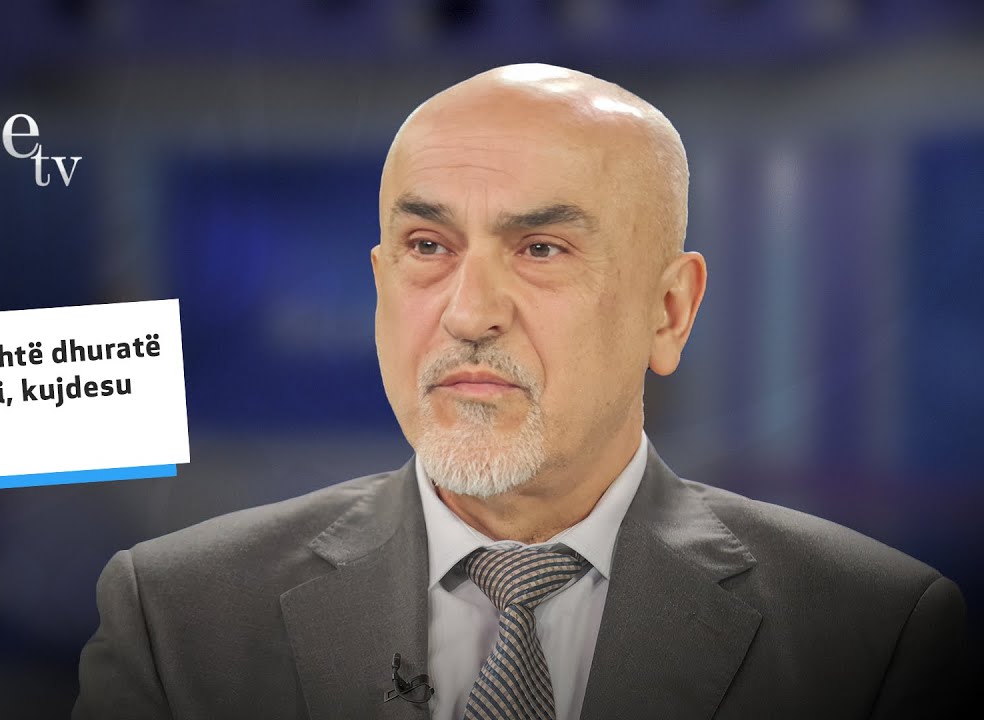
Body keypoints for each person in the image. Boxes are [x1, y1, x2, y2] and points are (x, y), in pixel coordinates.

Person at [73, 64, 967, 720]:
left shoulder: (875, 633)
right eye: (428, 247)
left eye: (541, 250)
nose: (468, 313)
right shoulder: (175, 618)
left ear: (669, 312)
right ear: (381, 287)